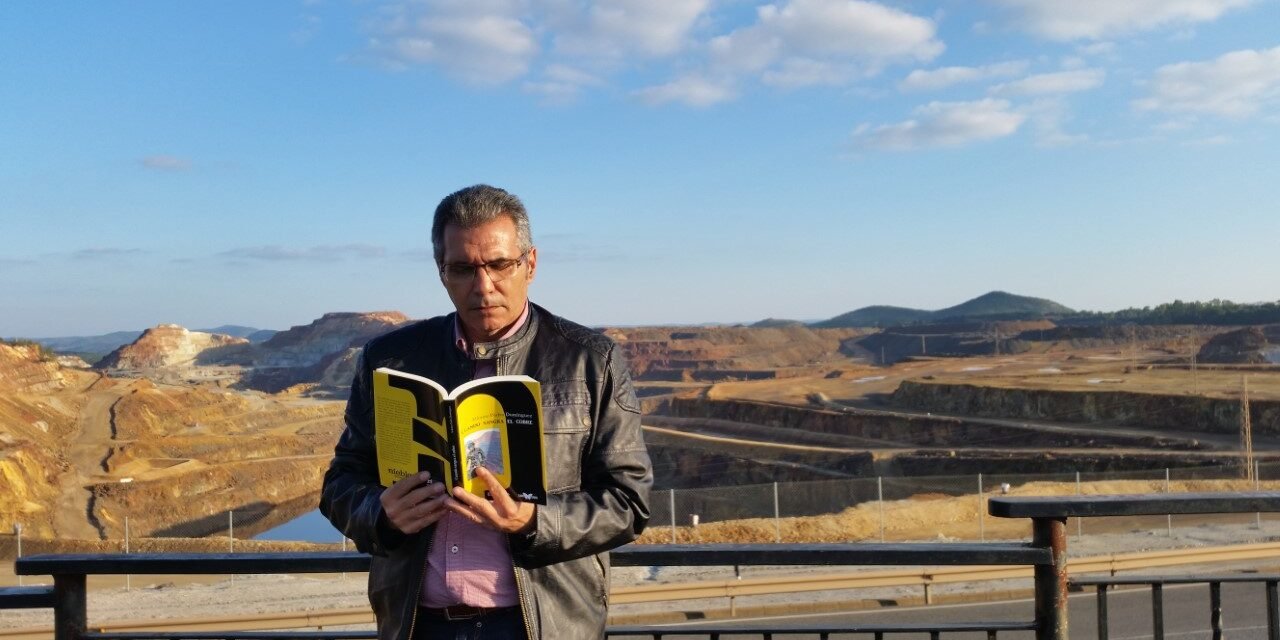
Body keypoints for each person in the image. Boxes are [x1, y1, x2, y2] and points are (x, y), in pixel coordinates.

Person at [320, 184, 653, 640]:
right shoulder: (389, 358)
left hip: (539, 625)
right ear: (442, 273)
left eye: (499, 264)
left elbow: (628, 502)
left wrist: (533, 521)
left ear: (530, 264)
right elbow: (341, 482)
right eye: (462, 269)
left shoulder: (591, 360)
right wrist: (379, 514)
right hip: (418, 625)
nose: (483, 286)